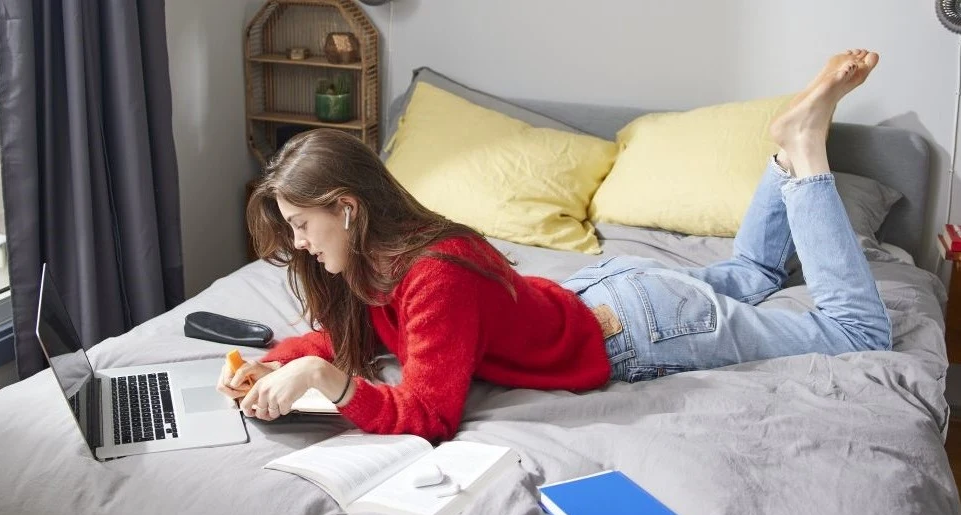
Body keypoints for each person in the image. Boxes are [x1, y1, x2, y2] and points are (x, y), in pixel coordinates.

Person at [218, 49, 888, 442]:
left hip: (641, 331)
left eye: (304, 227)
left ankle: (803, 154)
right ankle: (783, 156)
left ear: (347, 208)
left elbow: (426, 414)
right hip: (610, 293)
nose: (300, 246)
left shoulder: (433, 276)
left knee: (855, 332)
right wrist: (273, 362)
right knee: (745, 271)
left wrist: (324, 382)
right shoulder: (375, 258)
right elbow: (354, 335)